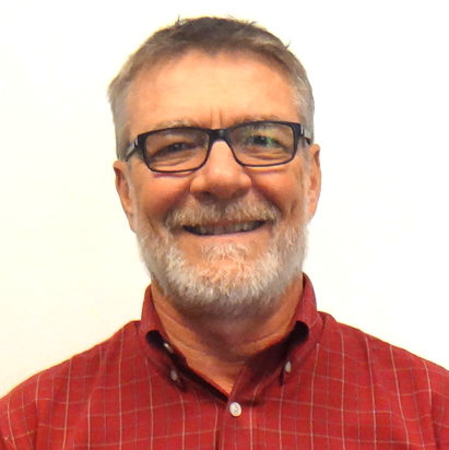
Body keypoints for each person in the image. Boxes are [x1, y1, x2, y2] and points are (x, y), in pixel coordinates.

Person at [0, 16, 447, 449]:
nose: (221, 178)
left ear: (311, 180)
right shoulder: (28, 431)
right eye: (175, 146)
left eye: (261, 140)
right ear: (127, 193)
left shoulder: (435, 418)